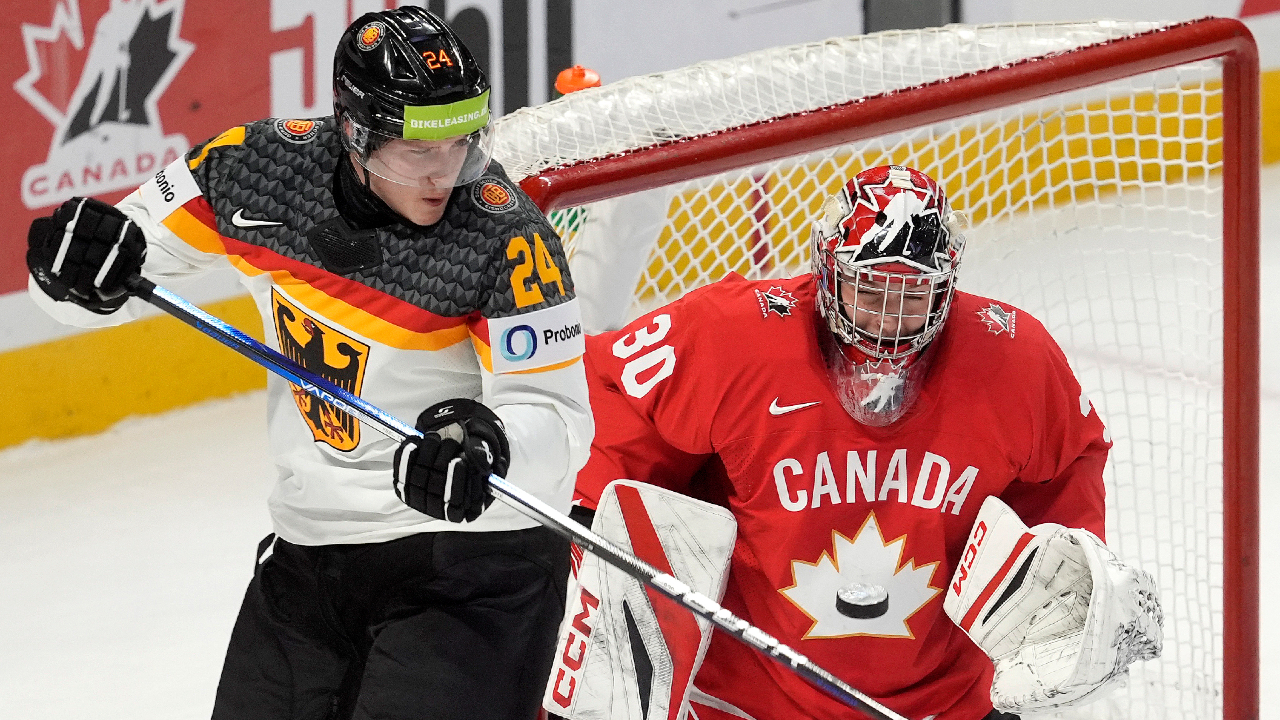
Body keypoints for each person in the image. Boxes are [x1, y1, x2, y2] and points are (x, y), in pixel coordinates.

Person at [25, 7, 591, 720]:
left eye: (462, 141)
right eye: (418, 150)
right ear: (356, 131)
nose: (445, 170)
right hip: (310, 553)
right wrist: (68, 270)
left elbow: (560, 420)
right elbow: (109, 276)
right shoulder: (252, 171)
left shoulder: (508, 239)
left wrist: (488, 448)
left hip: (469, 565)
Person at [550, 165, 1162, 720]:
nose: (887, 323)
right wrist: (585, 522)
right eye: (870, 290)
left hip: (943, 704)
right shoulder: (733, 336)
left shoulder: (1014, 360)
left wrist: (1067, 561)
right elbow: (612, 387)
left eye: (913, 296)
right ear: (827, 272)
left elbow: (1069, 459)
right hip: (745, 701)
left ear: (946, 287)